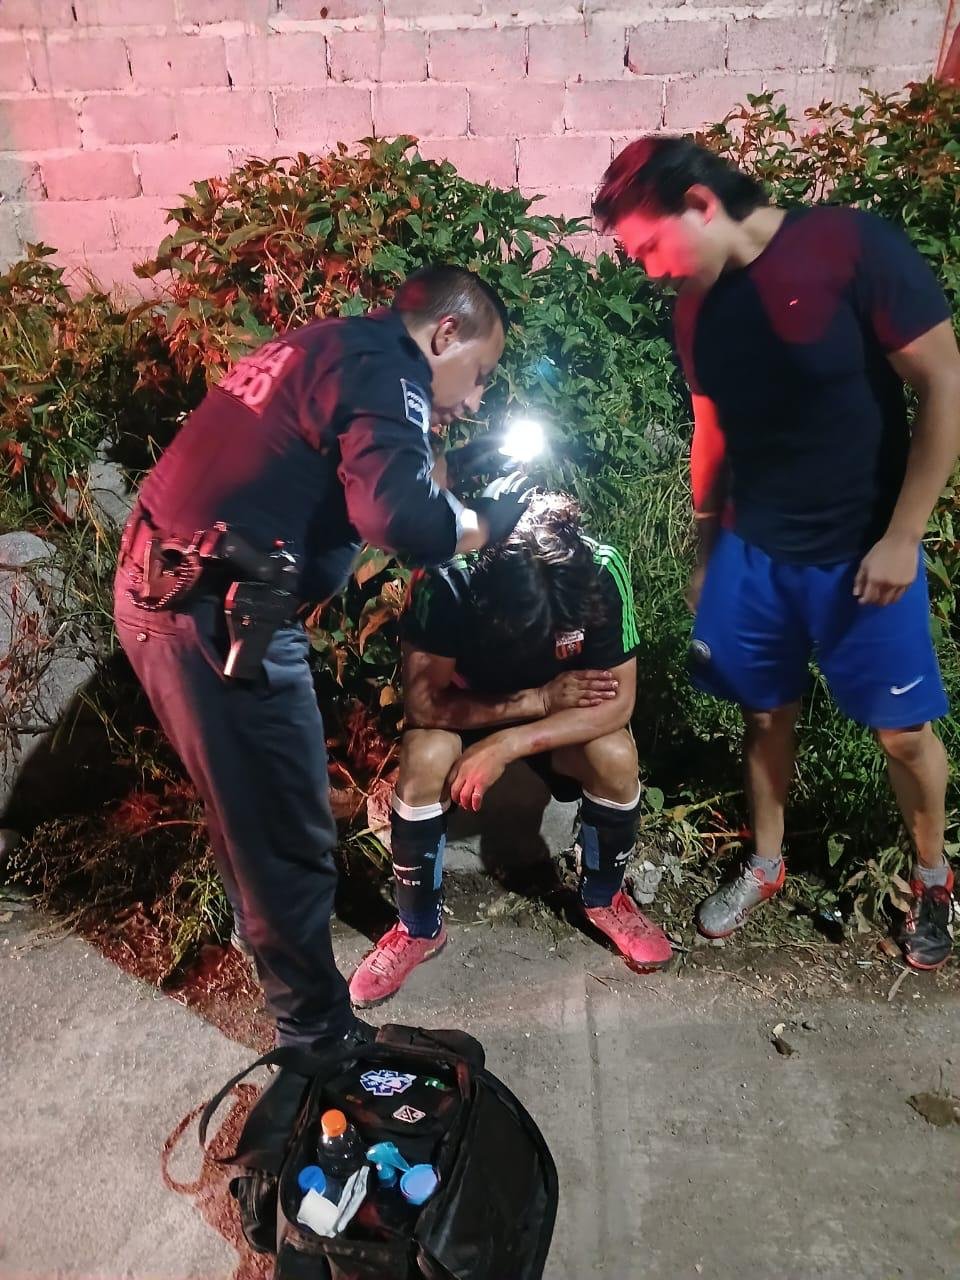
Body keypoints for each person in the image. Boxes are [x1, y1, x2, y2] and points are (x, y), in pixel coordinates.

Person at [113, 266, 525, 1050]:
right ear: (446, 334)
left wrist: (440, 476)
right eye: (480, 374)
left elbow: (356, 477)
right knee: (287, 836)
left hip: (177, 592)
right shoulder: (391, 369)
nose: (475, 400)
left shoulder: (335, 344)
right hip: (218, 615)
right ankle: (318, 1042)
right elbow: (399, 517)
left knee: (251, 821)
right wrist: (482, 525)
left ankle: (284, 985)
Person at [592, 137, 960, 969]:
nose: (648, 269)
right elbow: (712, 430)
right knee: (763, 716)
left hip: (863, 549)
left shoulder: (849, 246)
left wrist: (905, 535)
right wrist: (705, 549)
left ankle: (934, 877)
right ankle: (766, 862)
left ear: (699, 205)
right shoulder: (697, 309)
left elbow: (943, 381)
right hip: (754, 553)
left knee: (902, 735)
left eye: (649, 245)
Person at [348, 490, 673, 1008]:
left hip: (556, 723)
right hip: (470, 714)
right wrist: (535, 700)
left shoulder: (599, 568)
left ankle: (604, 897)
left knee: (615, 756)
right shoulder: (444, 578)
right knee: (424, 757)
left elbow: (618, 704)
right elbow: (425, 706)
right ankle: (418, 926)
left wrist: (510, 743)